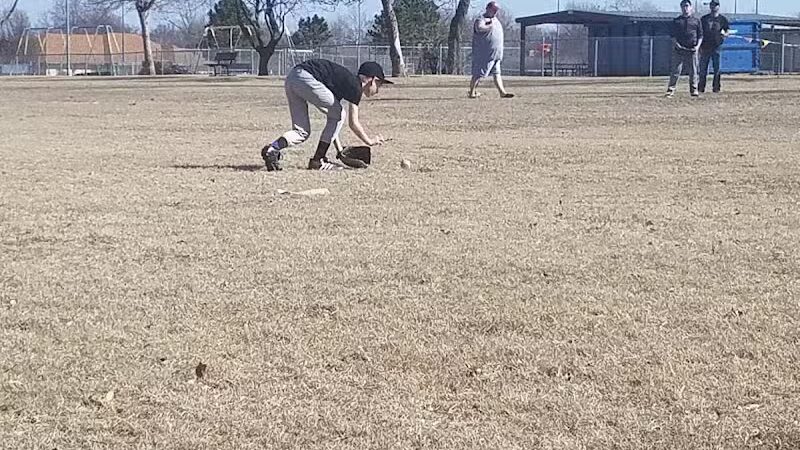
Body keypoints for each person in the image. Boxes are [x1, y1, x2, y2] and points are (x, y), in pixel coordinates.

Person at [261, 59, 390, 171]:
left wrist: (340, 150)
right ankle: (318, 160)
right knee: (339, 113)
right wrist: (370, 141)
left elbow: (333, 122)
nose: (378, 90)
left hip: (293, 77)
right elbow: (353, 123)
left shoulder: (346, 83)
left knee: (302, 132)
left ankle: (272, 149)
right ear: (372, 80)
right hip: (306, 77)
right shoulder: (355, 87)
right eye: (379, 85)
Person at [469, 1, 514, 99]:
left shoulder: (495, 20)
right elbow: (479, 28)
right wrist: (490, 25)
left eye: (496, 10)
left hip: (496, 53)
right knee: (479, 74)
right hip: (485, 54)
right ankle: (472, 92)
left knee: (497, 73)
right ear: (488, 8)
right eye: (493, 10)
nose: (495, 12)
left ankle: (502, 92)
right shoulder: (481, 19)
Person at [666, 0, 703, 98]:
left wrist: (697, 47)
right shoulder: (676, 21)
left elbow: (700, 36)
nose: (685, 8)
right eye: (683, 6)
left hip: (692, 50)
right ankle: (670, 90)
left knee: (693, 71)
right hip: (679, 50)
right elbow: (672, 36)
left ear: (691, 7)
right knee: (675, 71)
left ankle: (694, 90)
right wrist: (676, 45)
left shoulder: (696, 21)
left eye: (687, 6)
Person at [699, 0, 730, 93]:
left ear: (718, 7)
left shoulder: (723, 19)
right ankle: (701, 87)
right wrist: (699, 46)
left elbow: (727, 30)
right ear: (710, 7)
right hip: (705, 47)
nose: (713, 7)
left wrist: (725, 34)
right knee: (703, 69)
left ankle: (716, 88)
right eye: (712, 5)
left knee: (717, 69)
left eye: (715, 5)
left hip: (717, 47)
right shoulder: (704, 19)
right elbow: (699, 32)